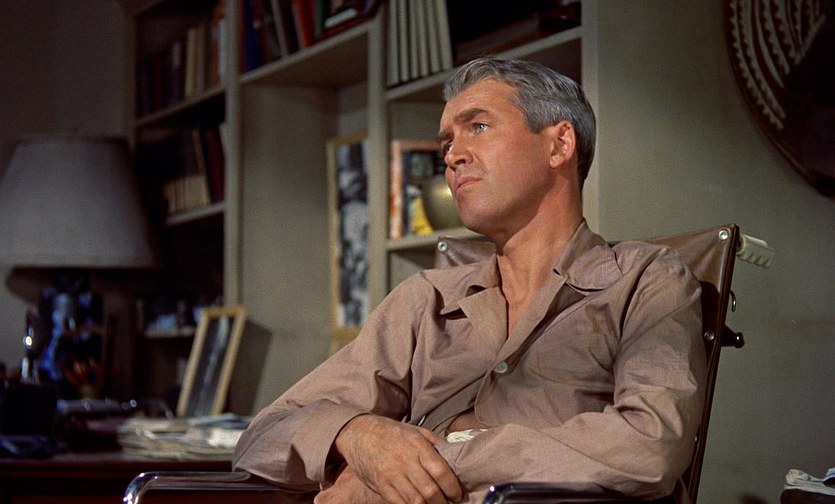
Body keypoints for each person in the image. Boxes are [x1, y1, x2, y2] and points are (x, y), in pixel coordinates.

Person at [232, 56, 706, 504]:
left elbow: (650, 446)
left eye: (478, 127)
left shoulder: (646, 280)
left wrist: (417, 469)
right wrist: (358, 435)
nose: (453, 156)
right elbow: (263, 437)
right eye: (446, 144)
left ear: (559, 145)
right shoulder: (426, 301)